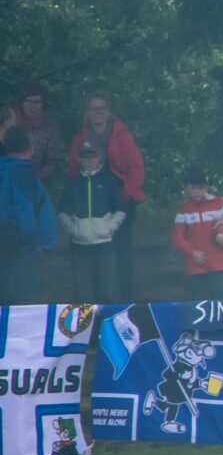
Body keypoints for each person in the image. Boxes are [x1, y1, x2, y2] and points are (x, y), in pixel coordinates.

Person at [67, 92, 146, 299]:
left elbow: (136, 168)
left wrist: (125, 197)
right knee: (92, 259)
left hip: (120, 197)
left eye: (101, 108)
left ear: (108, 111)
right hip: (92, 202)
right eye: (93, 109)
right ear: (87, 113)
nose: (98, 113)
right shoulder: (80, 138)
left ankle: (128, 303)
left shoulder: (122, 135)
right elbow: (74, 171)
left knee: (123, 256)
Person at [57, 140, 126, 303]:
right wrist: (73, 229)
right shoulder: (73, 182)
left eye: (92, 157)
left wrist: (108, 227)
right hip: (79, 247)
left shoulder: (109, 181)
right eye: (85, 157)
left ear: (99, 158)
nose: (89, 161)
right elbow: (61, 211)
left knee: (108, 289)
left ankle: (107, 325)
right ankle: (85, 327)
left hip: (104, 244)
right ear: (79, 159)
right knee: (82, 292)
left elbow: (121, 208)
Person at [170, 167, 223, 299]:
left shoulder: (218, 205)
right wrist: (192, 252)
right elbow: (177, 238)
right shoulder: (183, 212)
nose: (196, 191)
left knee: (219, 300)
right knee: (197, 302)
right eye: (192, 188)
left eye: (200, 187)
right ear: (186, 188)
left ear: (206, 188)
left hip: (219, 264)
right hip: (195, 266)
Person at [0, 125, 56, 305]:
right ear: (30, 147)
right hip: (23, 248)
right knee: (22, 301)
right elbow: (24, 209)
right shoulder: (20, 172)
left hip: (10, 243)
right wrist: (33, 245)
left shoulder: (6, 170)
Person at [9, 81, 62, 185]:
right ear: (21, 101)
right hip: (7, 181)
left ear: (43, 104)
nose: (32, 106)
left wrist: (35, 179)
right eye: (29, 101)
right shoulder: (10, 122)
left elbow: (51, 162)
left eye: (37, 102)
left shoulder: (49, 127)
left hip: (34, 185)